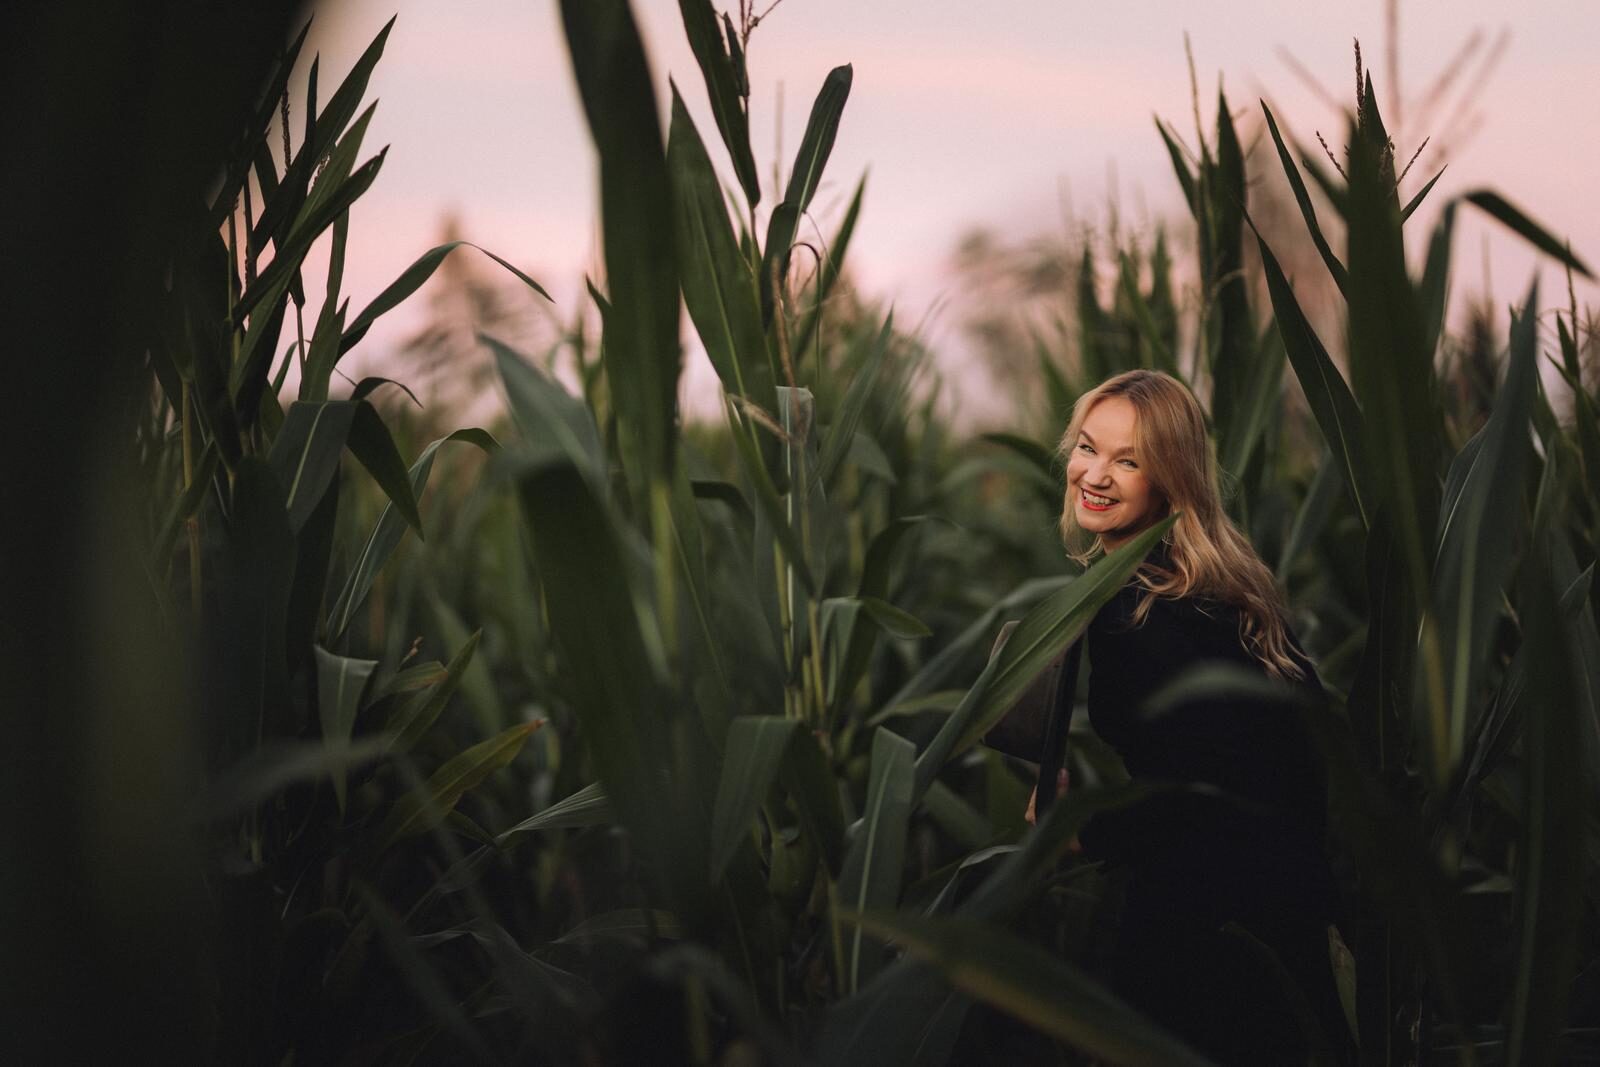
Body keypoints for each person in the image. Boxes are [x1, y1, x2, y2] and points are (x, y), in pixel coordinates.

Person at [1021, 369, 1352, 1065]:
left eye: (1128, 461)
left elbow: (1200, 791)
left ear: (1169, 479)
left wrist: (1083, 828)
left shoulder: (1133, 611)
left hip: (1207, 933)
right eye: (1088, 447)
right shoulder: (1222, 584)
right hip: (1290, 918)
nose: (1095, 475)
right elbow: (1283, 745)